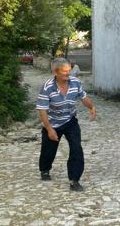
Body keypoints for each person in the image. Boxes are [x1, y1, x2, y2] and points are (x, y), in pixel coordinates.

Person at [36, 58, 97, 191]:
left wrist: (91, 107)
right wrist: (49, 129)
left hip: (70, 121)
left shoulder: (75, 83)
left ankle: (74, 180)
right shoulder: (47, 87)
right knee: (48, 150)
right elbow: (42, 110)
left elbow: (83, 97)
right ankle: (45, 169)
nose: (67, 74)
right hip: (52, 123)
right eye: (64, 72)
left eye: (69, 71)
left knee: (76, 148)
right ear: (55, 73)